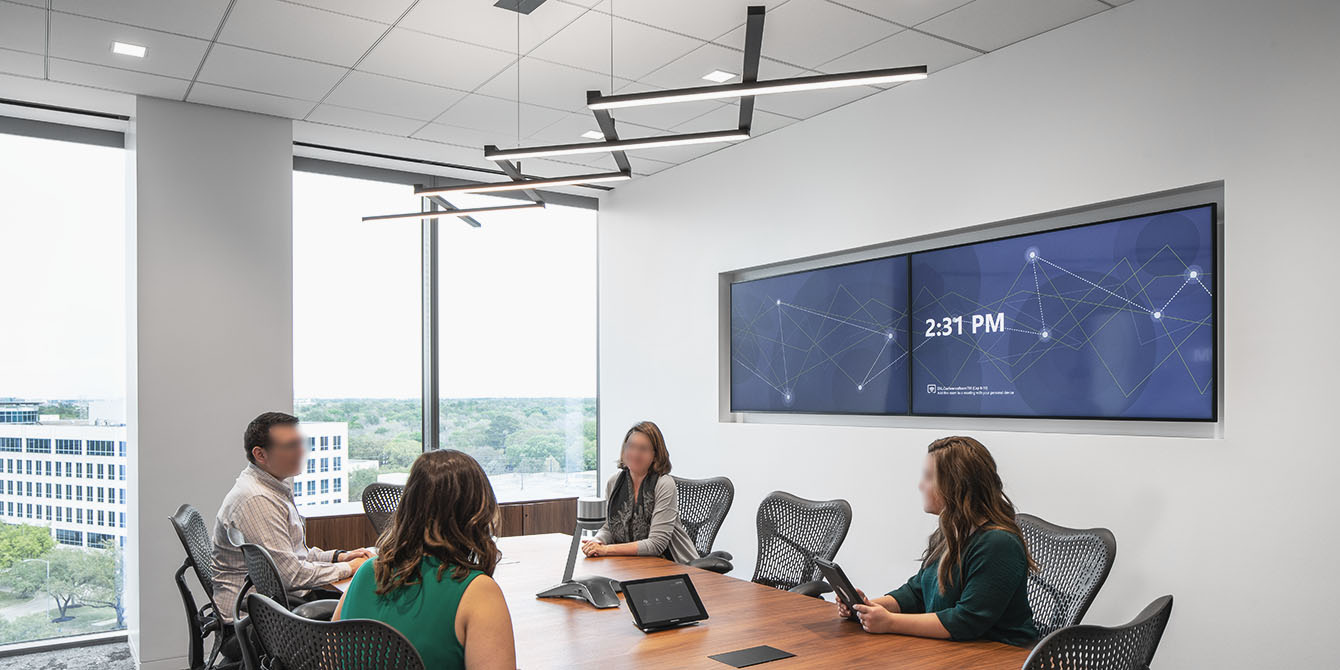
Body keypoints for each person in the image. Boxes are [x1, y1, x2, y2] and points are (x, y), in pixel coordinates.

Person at [837, 436, 1038, 647]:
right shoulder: (953, 531)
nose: (920, 485)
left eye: (929, 477)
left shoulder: (998, 544)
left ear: (956, 485)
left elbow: (966, 621)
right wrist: (865, 607)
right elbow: (917, 593)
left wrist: (890, 622)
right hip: (953, 650)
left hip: (999, 655)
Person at [334, 449, 516, 670]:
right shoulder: (477, 591)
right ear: (477, 512)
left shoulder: (366, 571)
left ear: (407, 506)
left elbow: (327, 660)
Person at [211, 412, 370, 621]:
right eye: (290, 446)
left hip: (275, 603)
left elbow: (292, 554)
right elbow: (291, 575)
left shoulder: (270, 487)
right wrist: (350, 568)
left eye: (300, 443)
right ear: (260, 454)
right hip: (258, 619)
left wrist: (337, 557)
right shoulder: (257, 500)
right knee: (366, 613)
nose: (301, 451)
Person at [580, 421, 697, 564]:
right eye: (631, 446)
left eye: (643, 449)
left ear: (655, 455)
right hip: (631, 563)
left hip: (671, 564)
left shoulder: (664, 484)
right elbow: (609, 527)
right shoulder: (614, 482)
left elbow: (656, 544)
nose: (635, 453)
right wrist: (597, 541)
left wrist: (606, 550)